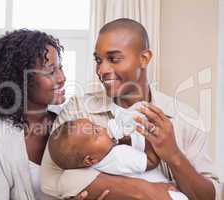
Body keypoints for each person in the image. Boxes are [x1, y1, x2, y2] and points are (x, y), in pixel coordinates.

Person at [41, 18, 222, 200]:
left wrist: (173, 155)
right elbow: (50, 181)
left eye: (114, 59)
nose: (102, 70)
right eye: (98, 60)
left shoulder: (184, 117)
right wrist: (144, 191)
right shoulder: (79, 110)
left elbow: (211, 196)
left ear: (144, 59)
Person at [0, 29, 108, 200]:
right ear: (20, 81)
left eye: (60, 68)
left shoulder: (71, 119)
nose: (62, 78)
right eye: (50, 71)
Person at [48, 118, 188, 200]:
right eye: (96, 132)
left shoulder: (96, 168)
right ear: (90, 160)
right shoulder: (116, 157)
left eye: (96, 126)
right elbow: (151, 161)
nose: (102, 129)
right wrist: (148, 134)